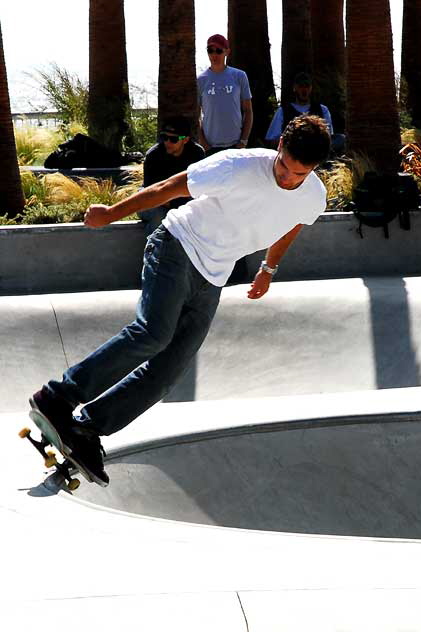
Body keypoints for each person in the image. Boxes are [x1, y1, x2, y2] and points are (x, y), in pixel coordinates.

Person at [29, 115, 331, 487]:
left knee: (168, 371)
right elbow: (171, 188)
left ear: (313, 169)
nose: (287, 178)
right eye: (284, 166)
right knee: (153, 333)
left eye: (298, 175)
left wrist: (268, 268)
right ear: (279, 146)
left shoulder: (313, 195)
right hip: (176, 245)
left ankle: (87, 429)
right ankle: (58, 397)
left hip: (214, 277)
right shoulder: (236, 166)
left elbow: (293, 223)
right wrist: (110, 213)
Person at [138, 116, 205, 235]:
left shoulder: (197, 154)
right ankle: (155, 251)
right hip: (152, 197)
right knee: (160, 215)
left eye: (173, 139)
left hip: (181, 197)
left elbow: (200, 188)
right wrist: (179, 205)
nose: (167, 142)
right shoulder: (153, 156)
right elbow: (153, 194)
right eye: (164, 137)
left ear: (185, 140)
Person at [197, 34, 253, 156]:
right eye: (210, 50)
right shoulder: (200, 80)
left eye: (218, 50)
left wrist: (243, 141)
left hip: (236, 146)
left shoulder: (239, 76)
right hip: (210, 148)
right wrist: (204, 143)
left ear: (227, 52)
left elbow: (248, 111)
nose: (214, 54)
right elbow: (196, 116)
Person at [265, 72, 344, 154]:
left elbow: (329, 136)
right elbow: (273, 140)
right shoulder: (283, 111)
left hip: (316, 150)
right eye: (301, 86)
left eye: (307, 86)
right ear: (295, 88)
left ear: (311, 88)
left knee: (341, 139)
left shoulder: (322, 109)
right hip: (294, 151)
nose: (304, 90)